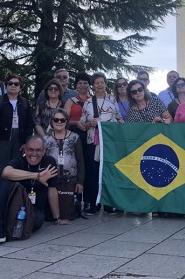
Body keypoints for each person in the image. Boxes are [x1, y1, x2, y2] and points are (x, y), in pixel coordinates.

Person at [0, 135, 69, 244]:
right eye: (30, 150)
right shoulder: (19, 161)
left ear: (44, 151)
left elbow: (52, 189)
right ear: (25, 150)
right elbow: (6, 172)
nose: (34, 154)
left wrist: (57, 218)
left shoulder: (49, 162)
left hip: (34, 209)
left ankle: (9, 225)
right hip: (15, 205)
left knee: (37, 221)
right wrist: (37, 176)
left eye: (38, 150)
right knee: (6, 181)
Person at [80, 72, 124, 215]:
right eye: (96, 82)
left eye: (102, 82)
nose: (99, 85)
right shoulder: (87, 102)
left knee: (108, 172)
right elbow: (81, 124)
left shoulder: (112, 99)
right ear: (93, 85)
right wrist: (88, 123)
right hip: (92, 141)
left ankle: (109, 203)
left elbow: (118, 118)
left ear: (106, 84)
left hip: (109, 142)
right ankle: (94, 203)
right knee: (93, 172)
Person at [0, 74, 34, 190]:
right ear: (6, 86)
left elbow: (30, 123)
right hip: (1, 139)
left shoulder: (24, 103)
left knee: (16, 167)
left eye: (16, 84)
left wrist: (27, 142)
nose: (13, 86)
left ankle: (14, 196)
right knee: (0, 168)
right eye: (10, 83)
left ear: (20, 87)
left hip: (19, 139)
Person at [43, 109, 84, 222]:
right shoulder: (45, 139)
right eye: (56, 119)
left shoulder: (75, 137)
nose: (59, 122)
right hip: (51, 180)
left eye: (62, 120)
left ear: (67, 122)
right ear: (52, 121)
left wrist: (80, 182)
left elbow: (80, 160)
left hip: (69, 180)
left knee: (68, 214)